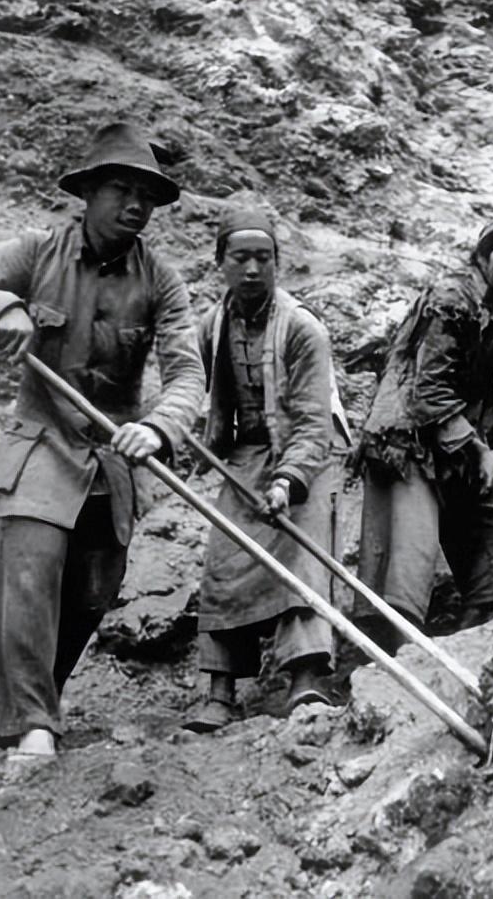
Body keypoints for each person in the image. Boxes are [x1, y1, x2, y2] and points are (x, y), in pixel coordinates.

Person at [0, 123, 205, 760]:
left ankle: (25, 707)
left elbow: (187, 372)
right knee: (32, 572)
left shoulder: (161, 280)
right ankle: (33, 722)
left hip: (112, 458)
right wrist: (2, 309)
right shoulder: (36, 251)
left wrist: (157, 426)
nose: (136, 205)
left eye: (147, 196)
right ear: (89, 193)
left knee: (95, 590)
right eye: (122, 190)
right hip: (40, 445)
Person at [184, 206, 352, 732]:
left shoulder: (303, 328)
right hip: (245, 453)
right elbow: (190, 390)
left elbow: (313, 420)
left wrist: (287, 480)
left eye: (264, 257)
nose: (253, 269)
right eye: (241, 258)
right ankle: (220, 689)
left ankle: (307, 677)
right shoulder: (210, 326)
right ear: (221, 262)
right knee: (226, 558)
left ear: (278, 262)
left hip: (309, 454)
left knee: (302, 556)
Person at [353, 213, 493, 655]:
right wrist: (476, 447)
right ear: (484, 254)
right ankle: (395, 659)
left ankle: (488, 636)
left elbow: (480, 396)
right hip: (407, 444)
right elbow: (427, 393)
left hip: (453, 447)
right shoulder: (451, 299)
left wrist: (491, 439)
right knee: (411, 559)